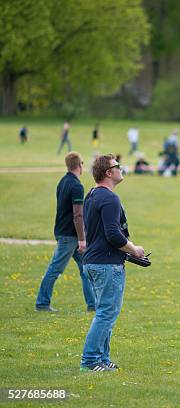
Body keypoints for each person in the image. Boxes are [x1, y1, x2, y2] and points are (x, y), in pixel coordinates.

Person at [80, 154, 145, 372]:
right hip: (106, 264)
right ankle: (90, 361)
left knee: (106, 311)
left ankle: (103, 359)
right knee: (106, 313)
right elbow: (113, 235)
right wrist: (134, 249)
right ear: (109, 173)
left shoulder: (92, 195)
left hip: (93, 262)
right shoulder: (110, 198)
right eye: (117, 166)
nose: (120, 168)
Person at [35, 152, 95, 312]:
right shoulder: (76, 186)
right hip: (70, 236)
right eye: (82, 163)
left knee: (85, 268)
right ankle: (42, 303)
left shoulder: (63, 182)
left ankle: (93, 304)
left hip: (66, 232)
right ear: (79, 165)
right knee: (55, 268)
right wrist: (82, 240)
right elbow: (77, 214)